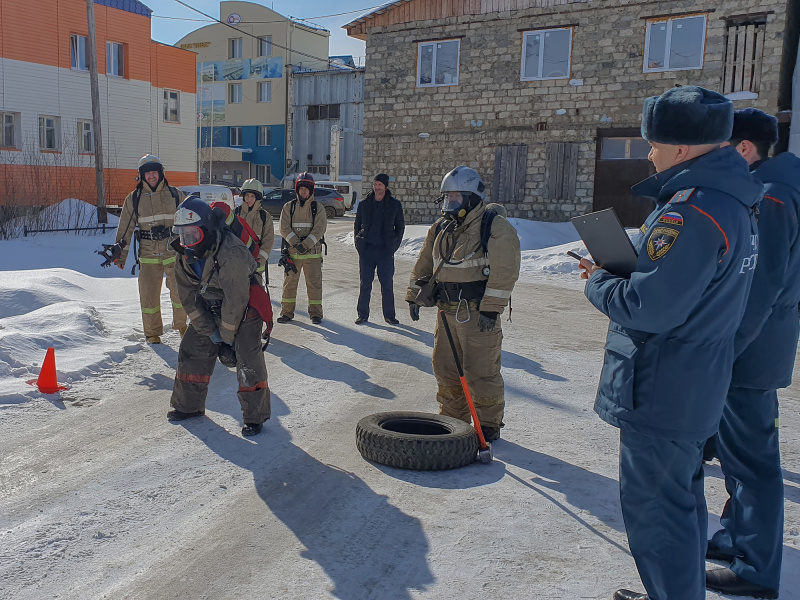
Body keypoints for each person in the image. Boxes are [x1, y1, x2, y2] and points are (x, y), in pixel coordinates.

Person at [577, 86, 762, 600]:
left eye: (653, 144)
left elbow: (649, 308)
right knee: (679, 503)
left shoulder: (691, 211)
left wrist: (599, 280)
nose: (649, 153)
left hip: (662, 386)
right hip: (693, 381)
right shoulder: (732, 202)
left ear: (681, 148)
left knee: (657, 514)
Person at [704, 109, 800, 600]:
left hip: (752, 347)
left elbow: (764, 284)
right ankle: (739, 536)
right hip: (762, 342)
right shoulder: (781, 184)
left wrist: (727, 347)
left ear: (743, 148)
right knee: (742, 452)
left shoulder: (774, 194)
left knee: (753, 462)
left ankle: (756, 568)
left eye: (722, 148)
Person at [406, 166, 520, 442]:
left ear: (471, 198)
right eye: (447, 198)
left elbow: (505, 270)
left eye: (456, 198)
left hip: (476, 312)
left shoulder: (494, 226)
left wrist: (492, 309)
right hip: (446, 311)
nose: (450, 204)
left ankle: (488, 424)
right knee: (445, 368)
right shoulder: (442, 227)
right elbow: (424, 261)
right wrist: (414, 295)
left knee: (481, 371)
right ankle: (453, 419)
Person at [167, 197, 270, 437]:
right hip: (210, 302)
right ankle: (188, 407)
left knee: (247, 357)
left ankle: (255, 418)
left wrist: (226, 338)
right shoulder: (183, 254)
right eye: (182, 235)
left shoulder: (231, 251)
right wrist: (211, 334)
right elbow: (188, 298)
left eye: (192, 234)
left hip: (244, 302)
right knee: (191, 348)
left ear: (206, 230)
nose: (186, 242)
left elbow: (236, 301)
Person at [111, 155, 187, 344]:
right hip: (148, 254)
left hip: (173, 252)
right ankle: (152, 333)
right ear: (141, 176)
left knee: (180, 293)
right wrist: (121, 257)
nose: (151, 176)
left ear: (161, 173)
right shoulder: (134, 199)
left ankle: (183, 326)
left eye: (154, 172)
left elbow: (189, 222)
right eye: (147, 173)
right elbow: (125, 228)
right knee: (148, 295)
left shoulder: (176, 195)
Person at [354, 173, 405, 325]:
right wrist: (359, 243)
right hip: (367, 251)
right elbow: (357, 225)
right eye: (376, 184)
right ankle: (362, 315)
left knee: (387, 285)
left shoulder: (395, 205)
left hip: (385, 251)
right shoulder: (364, 204)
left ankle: (389, 315)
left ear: (385, 186)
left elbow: (400, 227)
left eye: (380, 185)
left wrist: (394, 246)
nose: (377, 188)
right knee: (365, 284)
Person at [277, 172, 327, 325]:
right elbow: (283, 227)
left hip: (312, 255)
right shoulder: (288, 207)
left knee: (314, 285)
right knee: (289, 286)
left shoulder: (318, 208)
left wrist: (304, 245)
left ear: (311, 190)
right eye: (301, 188)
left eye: (307, 189)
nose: (304, 191)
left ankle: (316, 314)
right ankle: (286, 313)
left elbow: (320, 229)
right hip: (293, 255)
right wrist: (295, 243)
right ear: (297, 190)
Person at [236, 178, 275, 286]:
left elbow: (268, 241)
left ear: (257, 198)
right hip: (236, 265)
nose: (249, 199)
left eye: (252, 196)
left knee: (256, 297)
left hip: (256, 267)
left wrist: (259, 261)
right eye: (247, 195)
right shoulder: (235, 214)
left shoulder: (264, 217)